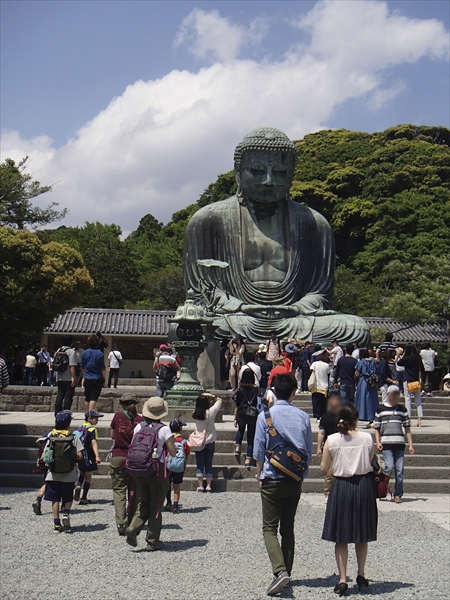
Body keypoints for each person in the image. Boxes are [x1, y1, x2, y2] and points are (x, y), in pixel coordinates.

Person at [253, 373, 312, 596]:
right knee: (288, 528)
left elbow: (259, 450)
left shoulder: (265, 416)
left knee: (269, 528)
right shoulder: (303, 416)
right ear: (294, 392)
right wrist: (302, 473)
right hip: (294, 478)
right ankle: (286, 571)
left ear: (273, 391)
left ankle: (279, 571)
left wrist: (259, 475)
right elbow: (307, 451)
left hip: (271, 477)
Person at [321, 403, 377, 596]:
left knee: (341, 535)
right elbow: (370, 461)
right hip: (363, 486)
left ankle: (343, 578)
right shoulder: (367, 438)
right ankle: (361, 574)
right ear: (356, 419)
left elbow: (323, 467)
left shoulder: (332, 439)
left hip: (341, 486)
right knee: (361, 533)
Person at [125, 397, 176, 551]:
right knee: (156, 505)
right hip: (156, 470)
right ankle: (153, 541)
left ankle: (133, 527)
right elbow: (172, 452)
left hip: (138, 469)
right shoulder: (164, 429)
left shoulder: (139, 427)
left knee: (143, 502)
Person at [43, 411, 84, 532]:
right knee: (67, 497)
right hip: (69, 474)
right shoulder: (73, 438)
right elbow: (80, 455)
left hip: (53, 474)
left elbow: (45, 456)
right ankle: (66, 514)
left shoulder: (51, 438)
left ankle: (56, 522)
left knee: (55, 499)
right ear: (68, 424)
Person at [374, 385, 414, 504]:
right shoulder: (380, 409)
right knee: (389, 467)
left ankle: (398, 494)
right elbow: (377, 428)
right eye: (393, 393)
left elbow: (407, 428)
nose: (395, 396)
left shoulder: (402, 410)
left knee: (400, 470)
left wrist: (411, 444)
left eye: (397, 393)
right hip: (386, 443)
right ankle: (382, 489)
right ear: (388, 394)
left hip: (399, 443)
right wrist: (378, 441)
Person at [110, 397, 144, 535]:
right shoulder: (140, 421)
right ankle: (131, 521)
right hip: (134, 458)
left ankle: (120, 522)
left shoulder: (118, 416)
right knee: (134, 490)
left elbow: (113, 436)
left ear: (122, 405)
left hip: (118, 455)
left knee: (119, 490)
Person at [192, 393, 222, 492]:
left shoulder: (195, 414)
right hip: (210, 440)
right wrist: (212, 395)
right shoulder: (211, 412)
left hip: (199, 441)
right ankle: (208, 486)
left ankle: (200, 485)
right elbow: (219, 401)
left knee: (199, 464)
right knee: (208, 464)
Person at [73, 410, 103, 505]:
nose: (97, 420)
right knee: (88, 476)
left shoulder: (80, 428)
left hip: (80, 454)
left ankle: (78, 485)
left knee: (82, 473)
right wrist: (97, 456)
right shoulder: (92, 429)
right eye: (96, 418)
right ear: (89, 418)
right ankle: (84, 497)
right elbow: (93, 443)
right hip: (89, 455)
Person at [233, 368, 259, 468]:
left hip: (241, 413)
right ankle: (248, 459)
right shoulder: (256, 390)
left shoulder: (239, 390)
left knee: (240, 429)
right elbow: (259, 402)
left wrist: (235, 418)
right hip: (252, 414)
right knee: (251, 436)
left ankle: (238, 447)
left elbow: (236, 405)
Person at [317, 391, 341, 497]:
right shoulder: (325, 417)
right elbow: (321, 433)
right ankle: (328, 494)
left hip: (342, 447)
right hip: (329, 447)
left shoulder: (343, 415)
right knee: (329, 473)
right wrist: (319, 448)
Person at [165, 419, 190, 514]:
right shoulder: (184, 442)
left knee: (167, 485)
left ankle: (168, 502)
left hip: (168, 466)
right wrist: (184, 466)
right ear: (180, 429)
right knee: (176, 486)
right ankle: (175, 505)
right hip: (179, 467)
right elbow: (187, 455)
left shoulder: (168, 440)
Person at [397, 345, 424, 427]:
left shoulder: (406, 358)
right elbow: (422, 369)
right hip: (416, 381)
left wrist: (402, 354)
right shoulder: (418, 358)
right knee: (418, 400)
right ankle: (419, 419)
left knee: (408, 399)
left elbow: (399, 363)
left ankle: (409, 418)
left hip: (407, 380)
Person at [354, 349, 379, 428]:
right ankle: (372, 418)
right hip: (372, 382)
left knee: (361, 399)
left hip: (364, 382)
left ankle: (360, 416)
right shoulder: (373, 362)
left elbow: (357, 374)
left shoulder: (361, 362)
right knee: (372, 400)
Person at [80, 334, 106, 410]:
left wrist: (83, 376)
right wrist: (104, 378)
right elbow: (102, 368)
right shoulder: (99, 353)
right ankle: (91, 413)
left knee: (87, 397)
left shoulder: (85, 353)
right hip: (96, 378)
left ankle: (87, 413)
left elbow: (82, 366)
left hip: (87, 377)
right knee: (93, 397)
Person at [54, 335, 77, 414]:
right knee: (68, 395)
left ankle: (57, 412)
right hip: (68, 377)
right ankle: (66, 412)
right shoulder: (71, 351)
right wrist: (73, 377)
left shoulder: (58, 350)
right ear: (71, 342)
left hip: (59, 376)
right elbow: (72, 365)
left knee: (60, 394)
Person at [309, 350, 332, 422]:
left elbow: (311, 370)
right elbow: (329, 372)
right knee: (323, 403)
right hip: (324, 386)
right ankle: (322, 416)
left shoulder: (314, 364)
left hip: (315, 385)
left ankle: (317, 416)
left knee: (316, 402)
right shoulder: (326, 365)